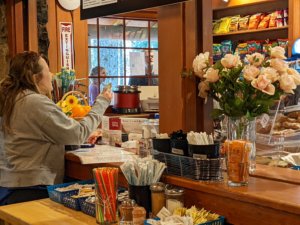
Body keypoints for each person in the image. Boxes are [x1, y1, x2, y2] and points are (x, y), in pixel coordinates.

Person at [0, 51, 112, 205]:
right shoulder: (35, 103)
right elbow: (78, 133)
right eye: (47, 71)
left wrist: (74, 141)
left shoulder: (11, 98)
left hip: (9, 186)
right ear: (35, 78)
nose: (51, 75)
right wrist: (102, 102)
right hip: (31, 189)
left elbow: (33, 137)